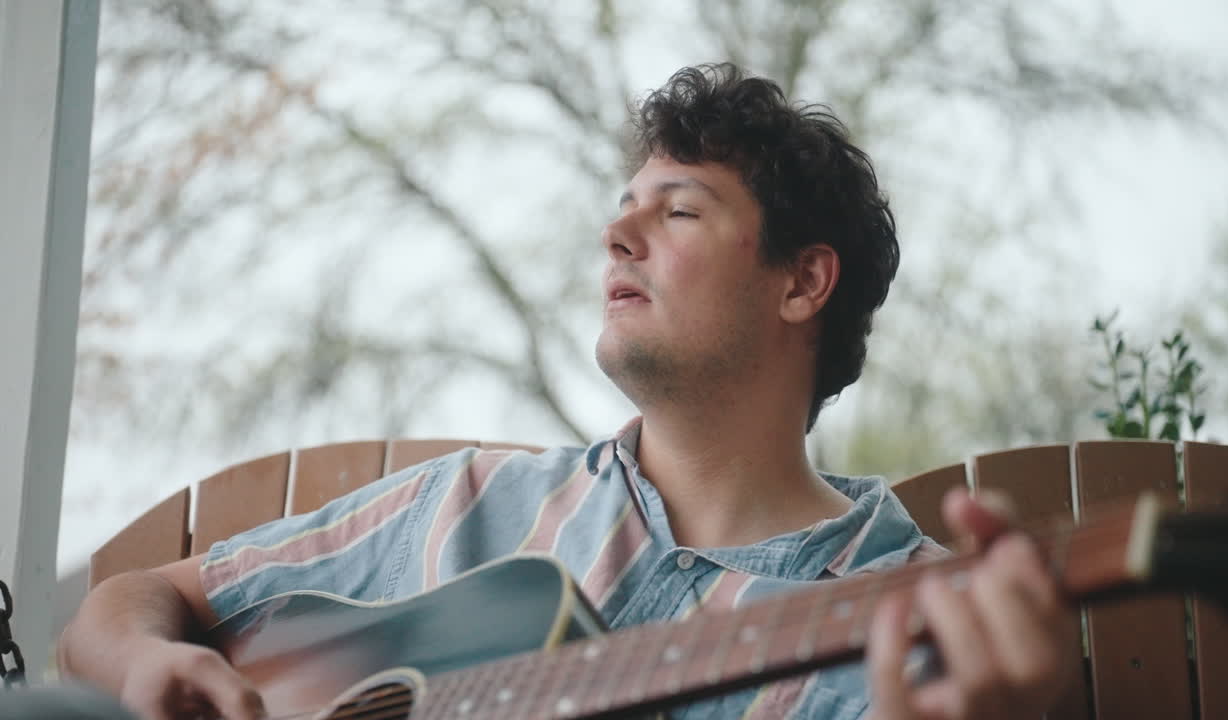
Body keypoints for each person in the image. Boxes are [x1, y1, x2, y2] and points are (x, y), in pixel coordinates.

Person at [59, 63, 1073, 720]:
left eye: (676, 213)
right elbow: (128, 605)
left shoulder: (917, 620)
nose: (615, 235)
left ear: (802, 282)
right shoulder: (461, 506)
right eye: (622, 208)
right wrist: (149, 663)